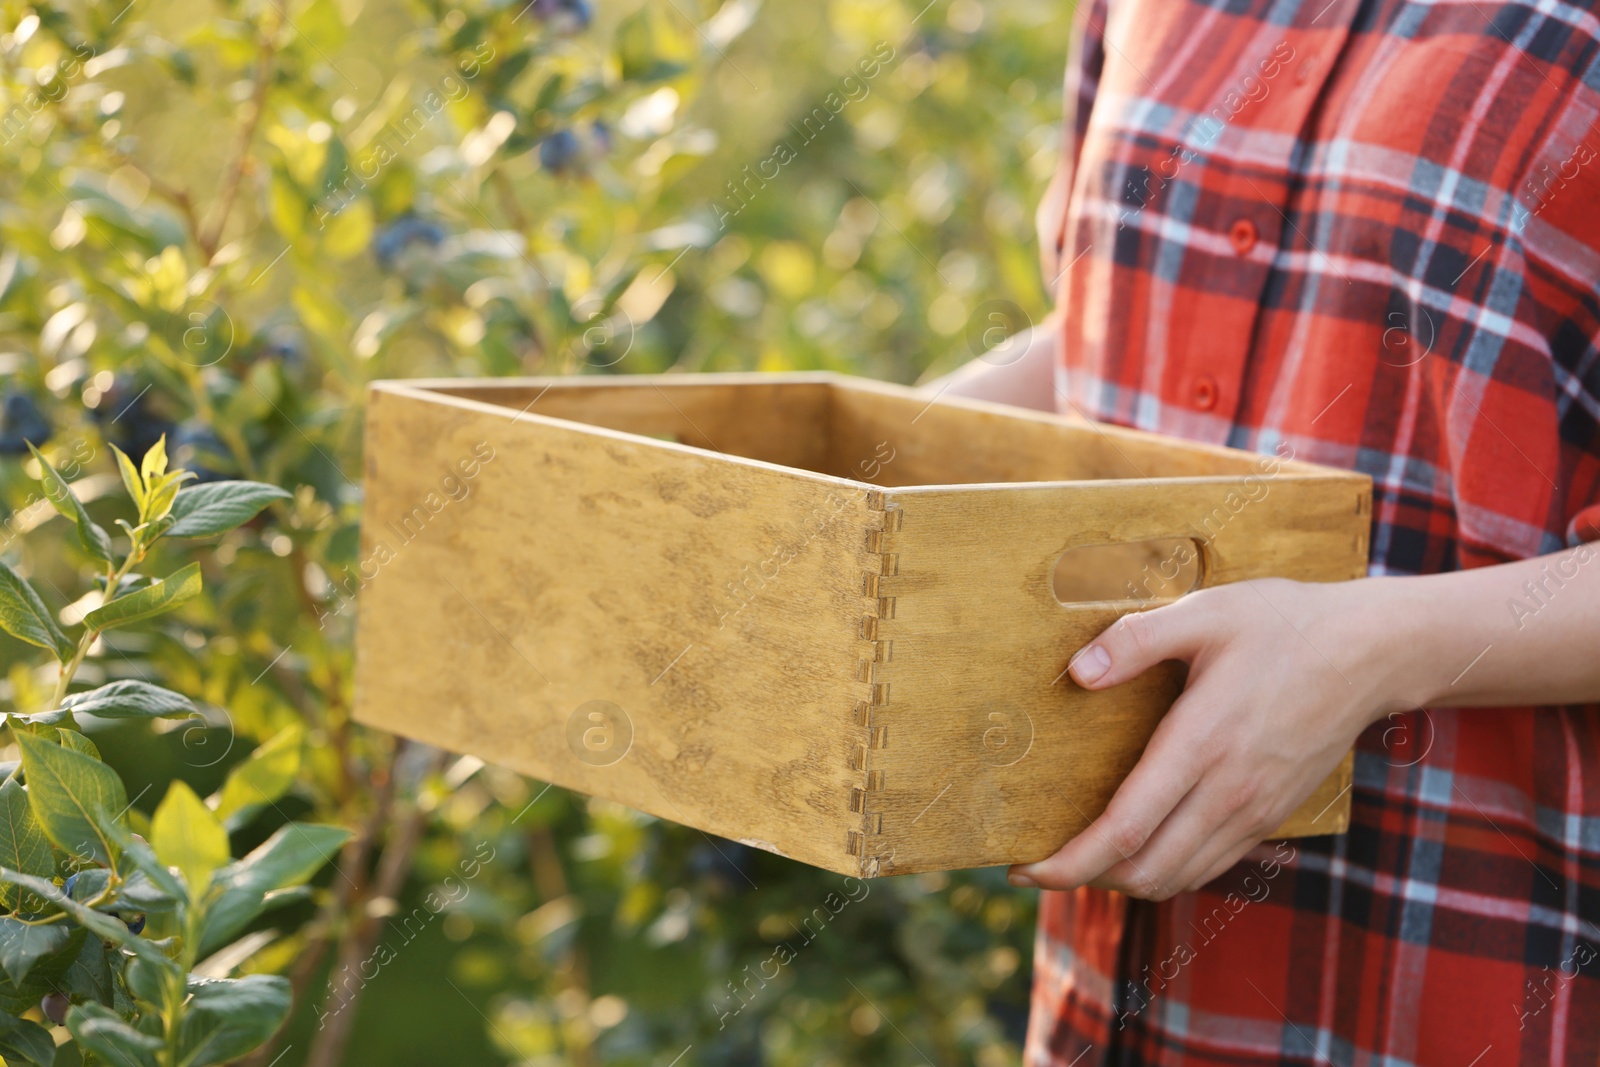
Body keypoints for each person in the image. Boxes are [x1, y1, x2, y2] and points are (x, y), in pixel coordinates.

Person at [931, 0, 1600, 1061]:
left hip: (1461, 976)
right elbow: (1107, 323)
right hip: (1114, 999)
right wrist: (861, 465)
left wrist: (1373, 651)